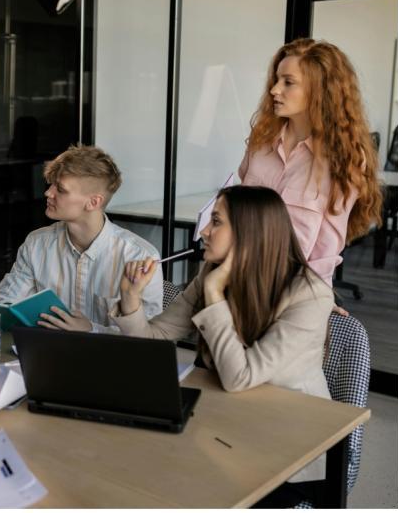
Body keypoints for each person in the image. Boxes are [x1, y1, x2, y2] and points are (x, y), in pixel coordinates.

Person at [113, 185, 333, 506]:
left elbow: (240, 378)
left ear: (248, 232)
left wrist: (215, 295)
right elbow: (153, 340)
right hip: (225, 427)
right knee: (133, 471)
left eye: (215, 221)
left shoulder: (309, 294)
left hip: (289, 450)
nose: (203, 231)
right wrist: (130, 298)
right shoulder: (210, 273)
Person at [239, 38, 382, 288]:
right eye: (276, 79)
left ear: (320, 90)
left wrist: (313, 302)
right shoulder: (261, 143)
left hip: (295, 289)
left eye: (288, 82)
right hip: (240, 275)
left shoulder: (345, 155)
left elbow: (327, 246)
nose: (274, 89)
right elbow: (238, 211)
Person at [0, 144, 163, 332]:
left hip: (109, 359)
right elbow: (2, 303)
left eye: (61, 189)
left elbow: (150, 337)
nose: (48, 193)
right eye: (51, 185)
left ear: (93, 202)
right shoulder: (36, 244)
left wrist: (90, 330)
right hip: (45, 352)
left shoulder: (140, 256)